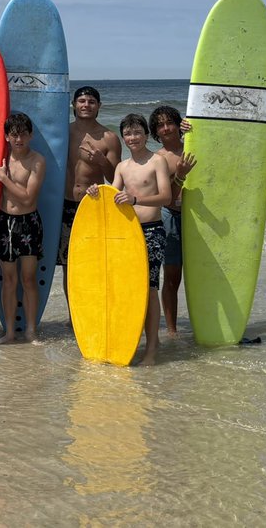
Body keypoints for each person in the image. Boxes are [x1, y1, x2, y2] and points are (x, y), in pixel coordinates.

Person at [87, 112, 171, 365]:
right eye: (128, 133)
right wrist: (95, 193)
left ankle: (153, 347)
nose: (132, 137)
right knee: (128, 289)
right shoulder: (122, 167)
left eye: (137, 132)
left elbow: (165, 197)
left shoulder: (157, 162)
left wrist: (135, 199)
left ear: (146, 134)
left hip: (152, 231)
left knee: (150, 288)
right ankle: (129, 341)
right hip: (126, 235)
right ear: (123, 137)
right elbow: (112, 196)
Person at [0, 112, 46, 344]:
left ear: (30, 135)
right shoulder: (0, 159)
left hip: (28, 223)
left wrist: (3, 178)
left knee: (28, 279)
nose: (19, 139)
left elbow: (28, 199)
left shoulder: (37, 161)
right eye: (14, 135)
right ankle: (9, 332)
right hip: (4, 222)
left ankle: (31, 331)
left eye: (23, 134)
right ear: (6, 137)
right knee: (8, 280)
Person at [61, 86, 121, 296]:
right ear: (74, 105)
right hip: (65, 205)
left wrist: (102, 161)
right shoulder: (63, 132)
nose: (86, 105)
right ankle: (73, 318)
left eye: (91, 102)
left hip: (94, 206)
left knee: (94, 262)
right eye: (82, 101)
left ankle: (93, 312)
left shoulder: (108, 138)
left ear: (99, 106)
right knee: (69, 265)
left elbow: (115, 179)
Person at [149, 106, 197, 338]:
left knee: (202, 275)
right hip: (170, 217)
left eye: (170, 123)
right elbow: (166, 196)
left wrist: (195, 126)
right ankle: (171, 330)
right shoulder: (158, 159)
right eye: (160, 125)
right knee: (172, 278)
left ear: (179, 124)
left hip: (198, 216)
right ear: (155, 131)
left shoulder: (194, 145)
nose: (166, 128)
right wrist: (180, 174)